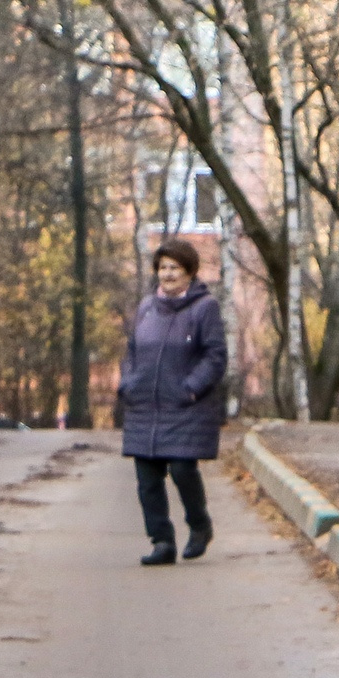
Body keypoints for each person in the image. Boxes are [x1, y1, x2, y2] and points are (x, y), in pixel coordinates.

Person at [119, 237, 228, 567]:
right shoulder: (146, 307)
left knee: (182, 470)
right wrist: (128, 383)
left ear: (190, 273)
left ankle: (199, 526)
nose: (167, 275)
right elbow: (132, 352)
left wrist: (191, 388)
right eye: (163, 268)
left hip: (185, 406)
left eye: (175, 268)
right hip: (145, 407)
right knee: (147, 481)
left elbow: (215, 355)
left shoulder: (204, 308)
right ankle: (162, 542)